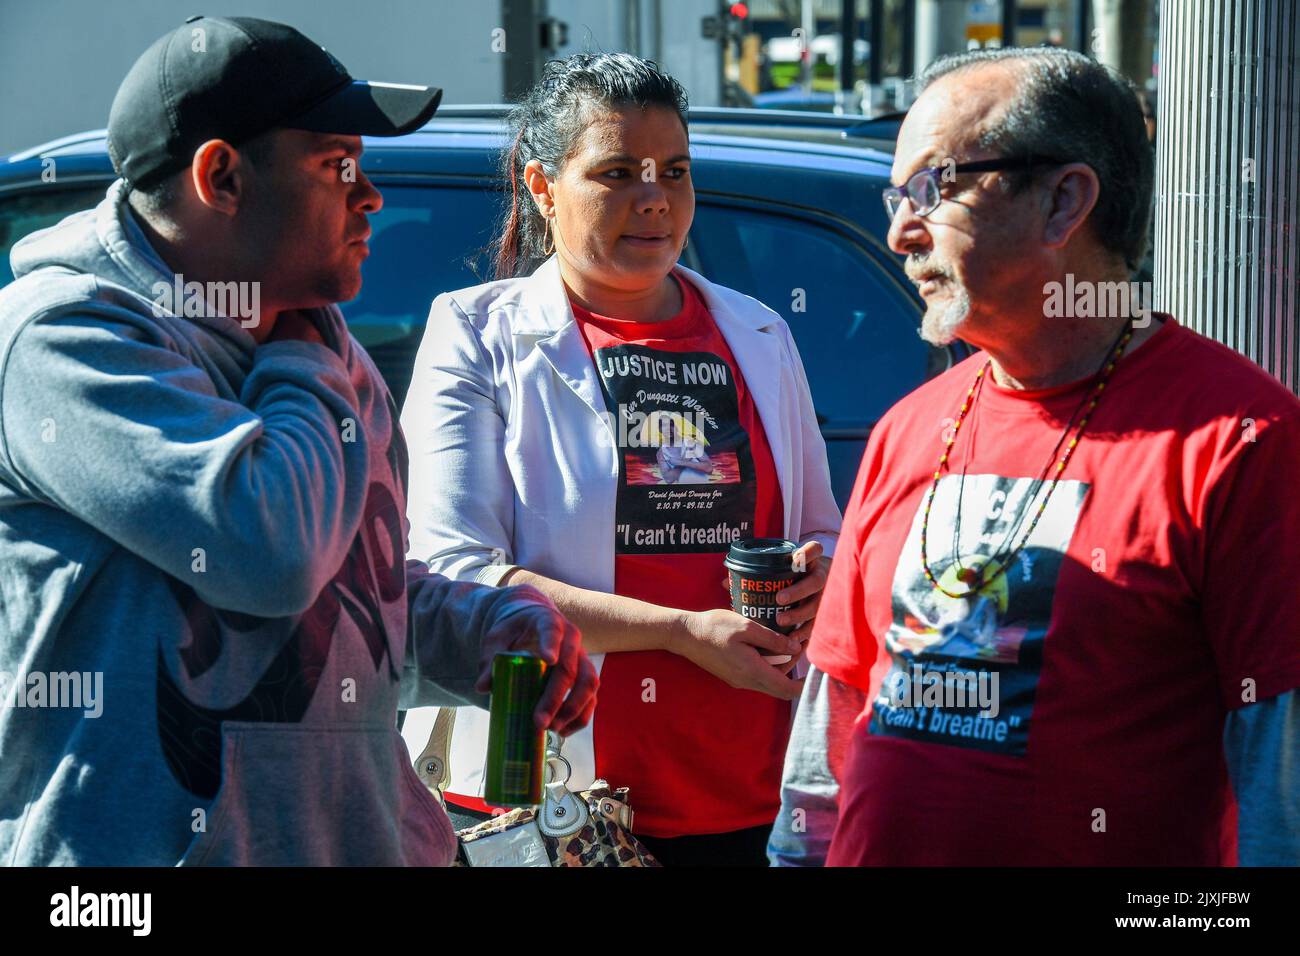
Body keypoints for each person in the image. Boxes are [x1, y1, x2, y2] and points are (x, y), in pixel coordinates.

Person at [0, 16, 594, 866]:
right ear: (222, 177)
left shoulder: (309, 343)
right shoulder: (59, 343)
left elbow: (353, 601)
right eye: (335, 165)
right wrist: (307, 347)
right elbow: (269, 547)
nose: (371, 195)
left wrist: (483, 628)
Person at [769, 47, 1300, 866]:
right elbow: (835, 712)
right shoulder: (909, 426)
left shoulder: (1240, 437)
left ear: (1064, 201)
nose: (899, 230)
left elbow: (1279, 783)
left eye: (931, 188)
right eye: (893, 195)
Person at [400, 53, 841, 866]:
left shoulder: (760, 331)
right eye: (616, 172)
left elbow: (824, 535)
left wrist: (821, 580)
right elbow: (457, 570)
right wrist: (678, 633)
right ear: (542, 188)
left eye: (674, 171)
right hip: (555, 803)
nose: (654, 198)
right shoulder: (474, 331)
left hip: (752, 793)